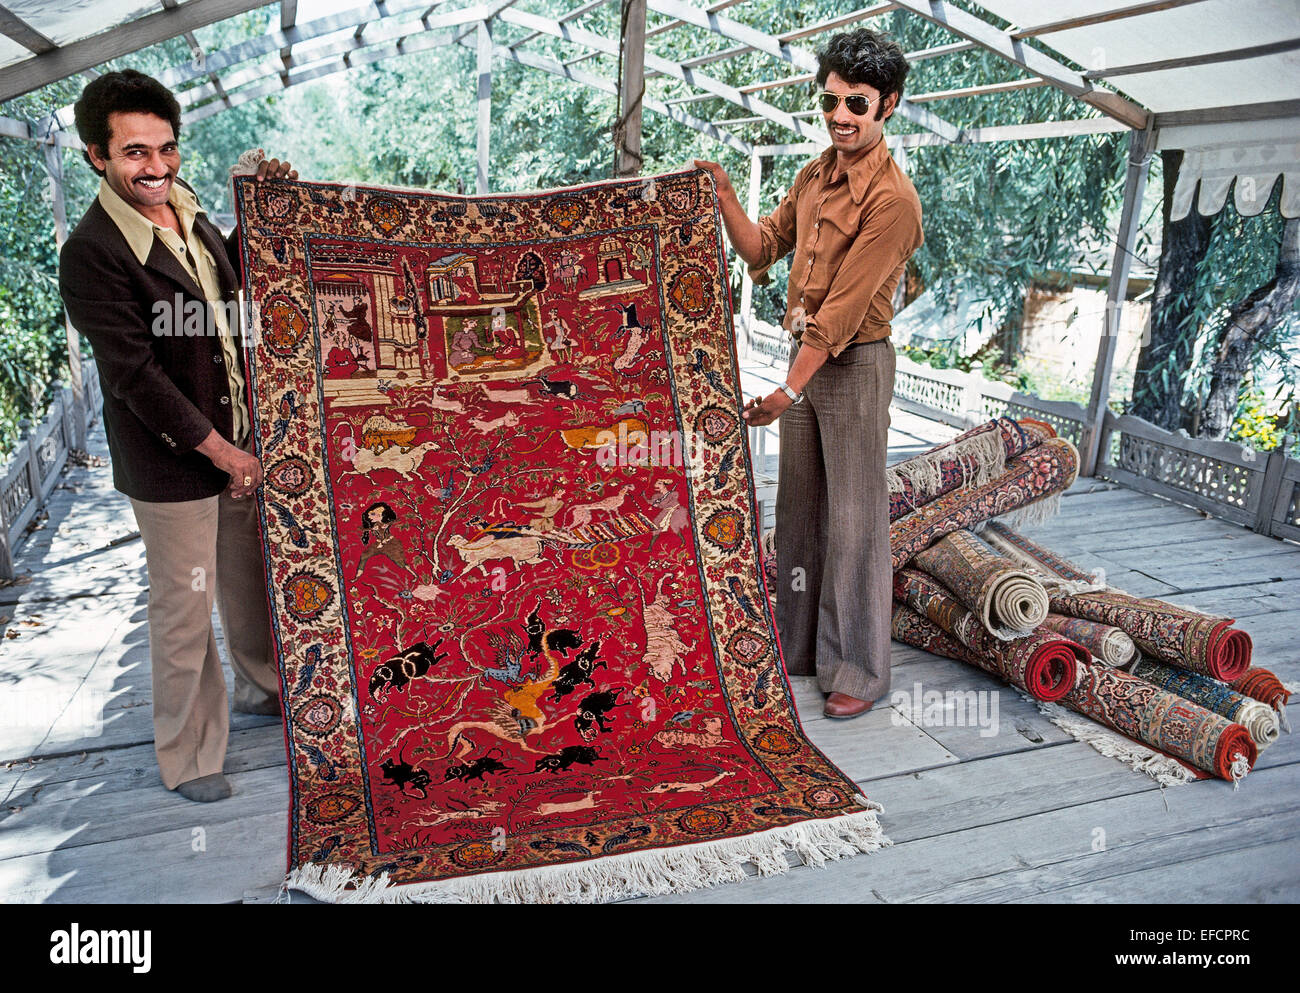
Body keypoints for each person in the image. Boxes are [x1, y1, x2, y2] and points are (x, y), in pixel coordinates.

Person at [58, 70, 298, 801]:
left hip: (235, 437)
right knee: (186, 603)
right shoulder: (93, 252)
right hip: (175, 460)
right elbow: (136, 377)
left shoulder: (186, 211)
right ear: (97, 156)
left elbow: (219, 286)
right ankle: (189, 757)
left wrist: (255, 208)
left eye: (166, 149)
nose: (156, 167)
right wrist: (222, 453)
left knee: (247, 581)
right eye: (135, 153)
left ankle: (261, 690)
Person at [695, 29, 923, 719]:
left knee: (855, 521)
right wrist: (727, 194)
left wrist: (786, 387)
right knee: (799, 510)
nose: (839, 115)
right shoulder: (813, 175)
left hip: (852, 364)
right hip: (805, 360)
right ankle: (797, 645)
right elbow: (762, 245)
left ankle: (858, 665)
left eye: (856, 102)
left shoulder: (894, 202)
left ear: (888, 104)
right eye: (829, 100)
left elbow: (843, 313)